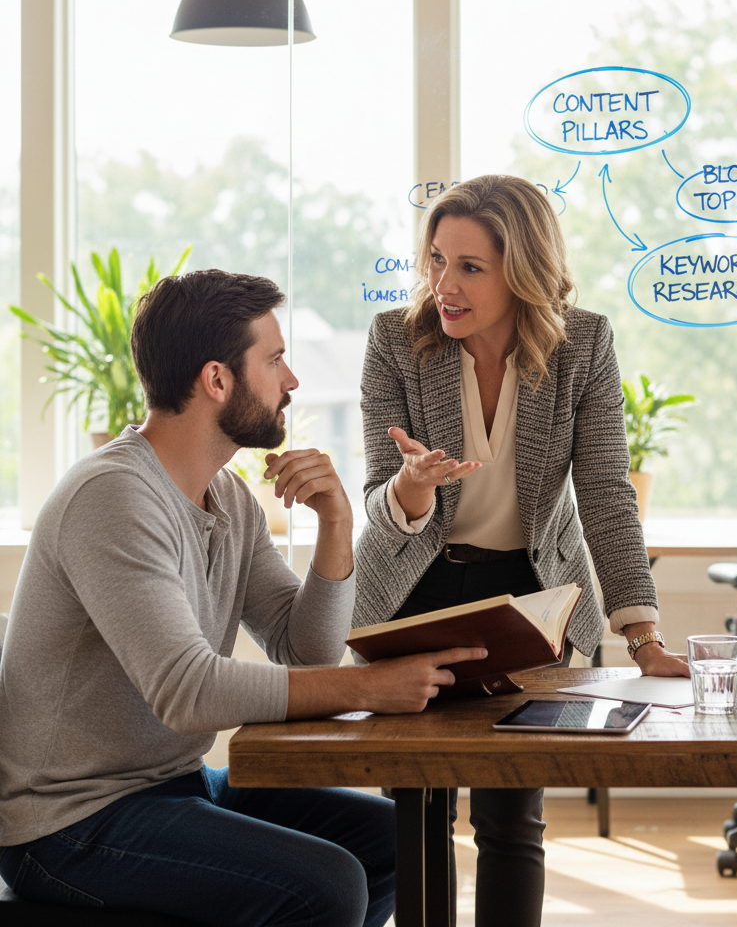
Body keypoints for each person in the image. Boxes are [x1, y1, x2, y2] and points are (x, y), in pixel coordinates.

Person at [0, 269, 484, 927]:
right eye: (276, 359)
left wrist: (336, 523)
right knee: (329, 885)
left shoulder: (228, 497)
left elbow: (307, 648)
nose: (292, 382)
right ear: (217, 380)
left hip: (170, 787)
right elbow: (187, 691)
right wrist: (369, 689)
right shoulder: (113, 496)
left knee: (401, 840)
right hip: (67, 822)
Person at [353, 174, 690, 926]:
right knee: (414, 816)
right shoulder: (396, 342)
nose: (444, 283)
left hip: (528, 597)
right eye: (437, 259)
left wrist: (644, 635)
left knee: (512, 813)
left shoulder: (584, 345)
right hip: (417, 590)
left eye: (470, 266)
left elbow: (606, 494)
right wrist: (411, 487)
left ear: (524, 269)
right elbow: (382, 503)